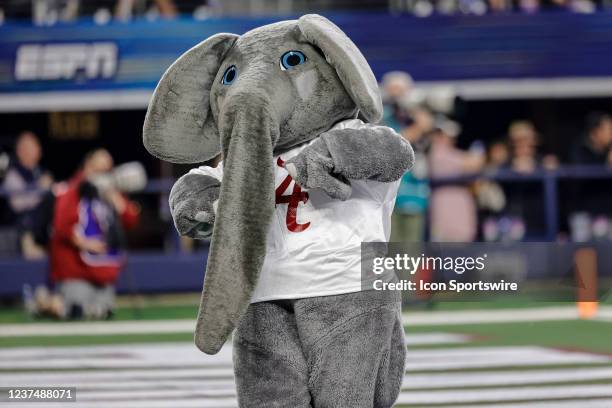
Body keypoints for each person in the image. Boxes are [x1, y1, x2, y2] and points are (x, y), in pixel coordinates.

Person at [49, 148, 140, 319]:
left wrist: (114, 196)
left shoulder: (111, 192)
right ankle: (47, 303)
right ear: (88, 167)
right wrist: (85, 243)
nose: (104, 175)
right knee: (76, 310)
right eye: (99, 170)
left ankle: (52, 303)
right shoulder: (73, 190)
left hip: (104, 270)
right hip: (77, 268)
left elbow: (130, 220)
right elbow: (61, 227)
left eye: (107, 171)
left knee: (103, 311)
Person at [381, 71, 432, 242]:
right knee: (390, 249)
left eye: (401, 90)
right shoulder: (382, 117)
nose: (397, 95)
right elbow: (392, 143)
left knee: (410, 253)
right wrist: (419, 127)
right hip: (389, 196)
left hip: (416, 194)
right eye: (393, 90)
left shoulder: (415, 114)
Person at [428, 116, 485, 242]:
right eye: (443, 135)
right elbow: (474, 163)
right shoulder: (436, 154)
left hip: (460, 216)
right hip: (444, 218)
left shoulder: (450, 153)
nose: (449, 139)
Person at [2, 131, 53, 256]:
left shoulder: (40, 171)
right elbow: (18, 204)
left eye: (35, 146)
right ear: (19, 151)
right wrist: (40, 190)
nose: (36, 150)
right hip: (24, 229)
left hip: (45, 228)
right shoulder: (13, 174)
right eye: (29, 147)